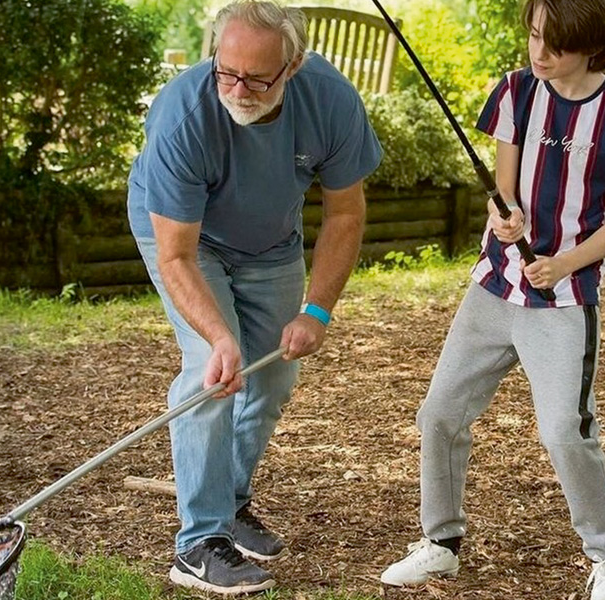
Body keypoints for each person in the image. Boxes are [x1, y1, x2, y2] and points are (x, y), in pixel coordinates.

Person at [380, 1, 605, 599]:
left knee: (562, 430)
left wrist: (564, 263)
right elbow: (502, 187)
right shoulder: (515, 93)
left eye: (554, 44)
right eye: (533, 36)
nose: (538, 53)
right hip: (494, 286)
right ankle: (440, 544)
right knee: (440, 414)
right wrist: (505, 215)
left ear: (591, 45)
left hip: (564, 298)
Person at [127, 0, 382, 594]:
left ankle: (232, 503)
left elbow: (345, 213)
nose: (238, 89)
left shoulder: (331, 101)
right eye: (226, 71)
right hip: (188, 240)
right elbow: (177, 256)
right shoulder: (182, 115)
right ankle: (198, 543)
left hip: (270, 242)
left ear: (293, 65)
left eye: (257, 78)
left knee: (272, 378)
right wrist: (219, 336)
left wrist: (317, 310)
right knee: (212, 371)